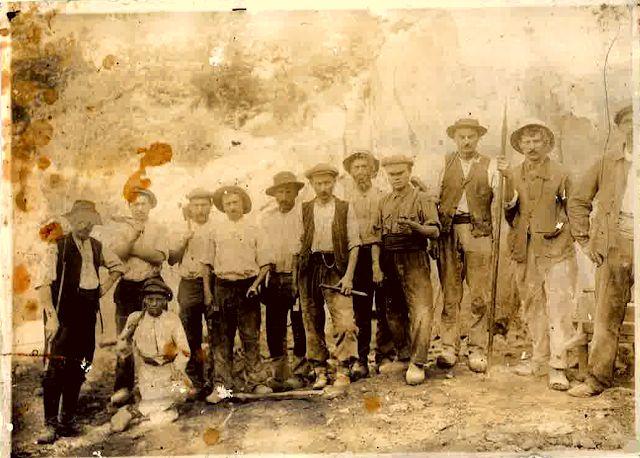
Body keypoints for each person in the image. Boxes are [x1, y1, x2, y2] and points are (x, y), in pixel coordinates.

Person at [497, 120, 577, 391]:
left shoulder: (561, 173)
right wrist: (506, 181)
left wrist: (561, 233)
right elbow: (510, 212)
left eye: (536, 141)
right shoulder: (514, 173)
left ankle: (558, 365)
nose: (531, 147)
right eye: (526, 142)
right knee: (532, 305)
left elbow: (573, 210)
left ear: (546, 143)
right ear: (520, 146)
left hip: (556, 249)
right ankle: (539, 359)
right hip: (525, 250)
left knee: (558, 307)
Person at [36, 200, 125, 444]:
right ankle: (50, 424)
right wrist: (51, 318)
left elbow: (119, 267)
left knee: (83, 364)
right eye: (81, 221)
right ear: (72, 221)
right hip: (62, 315)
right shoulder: (58, 246)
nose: (85, 226)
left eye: (90, 222)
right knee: (56, 368)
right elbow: (43, 284)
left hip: (87, 315)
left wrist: (103, 288)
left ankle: (67, 419)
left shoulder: (97, 247)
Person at [567, 104, 634, 397]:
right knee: (607, 312)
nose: (636, 127)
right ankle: (597, 379)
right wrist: (584, 240)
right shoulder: (608, 162)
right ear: (621, 128)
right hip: (616, 241)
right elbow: (578, 200)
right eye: (630, 121)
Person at [435, 118, 500, 373]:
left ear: (478, 138)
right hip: (449, 232)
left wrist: (505, 177)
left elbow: (505, 197)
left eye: (471, 136)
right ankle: (449, 346)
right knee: (451, 293)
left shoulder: (490, 165)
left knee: (479, 295)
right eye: (461, 136)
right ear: (454, 139)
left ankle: (477, 348)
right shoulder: (444, 163)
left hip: (479, 232)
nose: (466, 141)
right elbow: (432, 197)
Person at [204, 184, 272, 403]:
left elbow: (266, 264)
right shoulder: (215, 231)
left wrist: (256, 285)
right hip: (222, 287)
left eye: (235, 203)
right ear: (223, 207)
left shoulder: (255, 229)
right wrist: (208, 293)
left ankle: (257, 382)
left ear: (243, 204)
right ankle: (222, 387)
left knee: (250, 336)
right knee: (221, 339)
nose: (232, 207)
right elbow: (206, 266)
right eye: (227, 204)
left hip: (248, 288)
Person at [377, 155, 441, 385]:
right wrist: (377, 265)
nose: (396, 178)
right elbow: (378, 237)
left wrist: (416, 228)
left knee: (421, 309)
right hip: (388, 257)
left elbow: (434, 231)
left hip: (414, 256)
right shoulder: (384, 201)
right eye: (392, 174)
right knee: (393, 310)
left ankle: (418, 362)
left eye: (400, 173)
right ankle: (404, 356)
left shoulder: (422, 198)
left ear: (409, 172)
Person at [298, 163, 361, 389]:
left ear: (334, 183)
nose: (323, 187)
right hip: (310, 268)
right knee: (311, 320)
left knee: (344, 321)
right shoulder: (304, 209)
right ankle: (320, 370)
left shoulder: (345, 208)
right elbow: (299, 244)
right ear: (312, 184)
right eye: (318, 183)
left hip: (336, 268)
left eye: (327, 182)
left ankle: (344, 367)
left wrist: (349, 276)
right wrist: (299, 279)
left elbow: (355, 244)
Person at [110, 186, 169, 406]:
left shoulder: (158, 228)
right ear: (129, 206)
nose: (139, 208)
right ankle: (123, 389)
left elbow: (158, 257)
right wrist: (129, 243)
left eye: (143, 203)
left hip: (151, 286)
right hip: (126, 287)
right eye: (135, 204)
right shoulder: (119, 228)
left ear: (150, 206)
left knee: (155, 337)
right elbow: (116, 254)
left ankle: (156, 388)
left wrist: (131, 245)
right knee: (124, 339)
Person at [341, 150, 395, 378]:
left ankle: (384, 356)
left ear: (373, 170)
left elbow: (381, 230)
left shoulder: (383, 195)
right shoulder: (345, 199)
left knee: (384, 308)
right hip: (356, 257)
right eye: (357, 168)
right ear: (351, 172)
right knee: (360, 310)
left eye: (365, 167)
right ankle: (361, 360)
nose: (361, 172)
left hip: (381, 255)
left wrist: (377, 265)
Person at [116, 278, 192, 424]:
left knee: (183, 393)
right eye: (150, 299)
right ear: (144, 300)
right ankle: (139, 410)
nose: (154, 303)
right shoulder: (135, 318)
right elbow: (122, 344)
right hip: (148, 373)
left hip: (169, 371)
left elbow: (184, 350)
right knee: (161, 413)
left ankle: (136, 412)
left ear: (165, 301)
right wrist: (125, 339)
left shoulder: (172, 319)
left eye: (158, 300)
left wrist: (178, 368)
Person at [260, 171, 310, 390]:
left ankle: (301, 372)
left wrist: (299, 278)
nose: (283, 196)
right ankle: (279, 375)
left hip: (298, 275)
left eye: (288, 191)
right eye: (280, 191)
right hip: (275, 276)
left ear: (296, 192)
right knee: (274, 325)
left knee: (299, 322)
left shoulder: (304, 214)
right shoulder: (267, 218)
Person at [168, 188, 215, 394]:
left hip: (214, 282)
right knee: (190, 333)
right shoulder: (182, 228)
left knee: (217, 330)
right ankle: (195, 378)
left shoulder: (217, 228)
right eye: (196, 205)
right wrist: (183, 241)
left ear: (211, 207)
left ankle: (215, 379)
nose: (200, 209)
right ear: (190, 207)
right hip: (188, 283)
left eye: (204, 205)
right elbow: (171, 259)